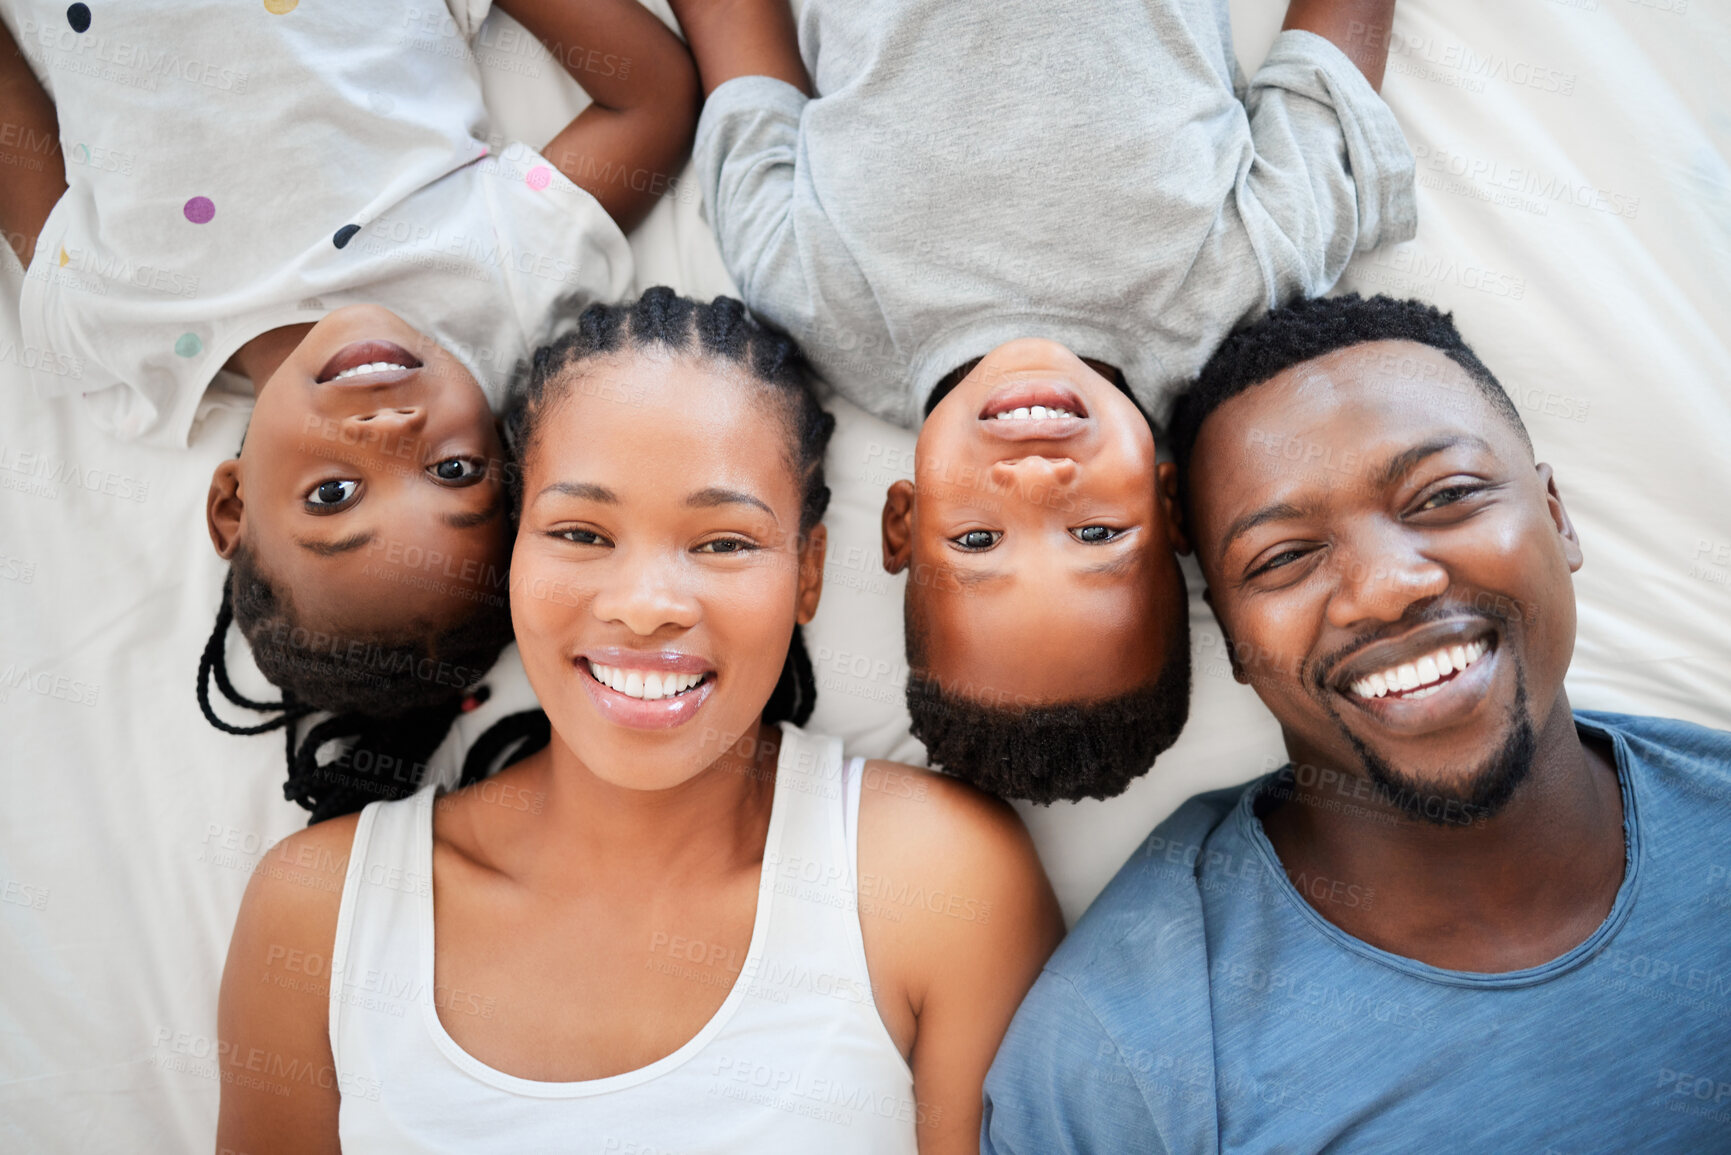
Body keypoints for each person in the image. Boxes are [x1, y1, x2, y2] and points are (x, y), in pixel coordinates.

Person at [215, 290, 1064, 1153]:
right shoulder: (317, 917)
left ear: (808, 572)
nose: (647, 606)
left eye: (723, 542)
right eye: (581, 533)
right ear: (513, 553)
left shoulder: (940, 881)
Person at [982, 294, 1731, 1152]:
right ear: (1229, 637)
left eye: (1443, 494)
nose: (1386, 586)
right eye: (1284, 557)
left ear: (1556, 516)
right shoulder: (1119, 1059)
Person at [665, 0, 1415, 802]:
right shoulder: (1240, 277)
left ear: (902, 523)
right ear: (1172, 509)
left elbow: (738, 39)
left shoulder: (811, 301)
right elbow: (1328, 65)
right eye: (1095, 532)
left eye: (978, 539)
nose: (1033, 479)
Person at [0, 0, 699, 816]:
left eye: (333, 494)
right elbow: (653, 97)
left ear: (230, 504)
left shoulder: (118, 335)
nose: (390, 431)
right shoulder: (503, 276)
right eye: (453, 469)